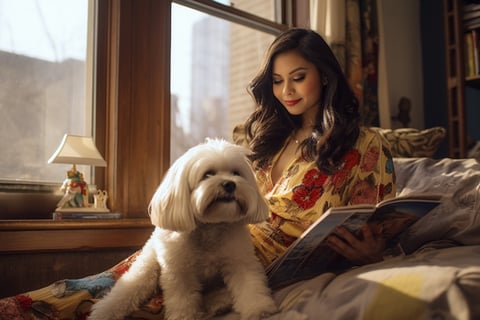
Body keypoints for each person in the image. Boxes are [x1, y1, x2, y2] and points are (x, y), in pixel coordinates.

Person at [239, 27, 396, 267]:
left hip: (272, 269)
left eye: (298, 77)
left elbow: (378, 228)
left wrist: (373, 254)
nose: (286, 91)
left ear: (324, 75)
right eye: (277, 81)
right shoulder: (269, 139)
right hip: (232, 249)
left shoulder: (366, 144)